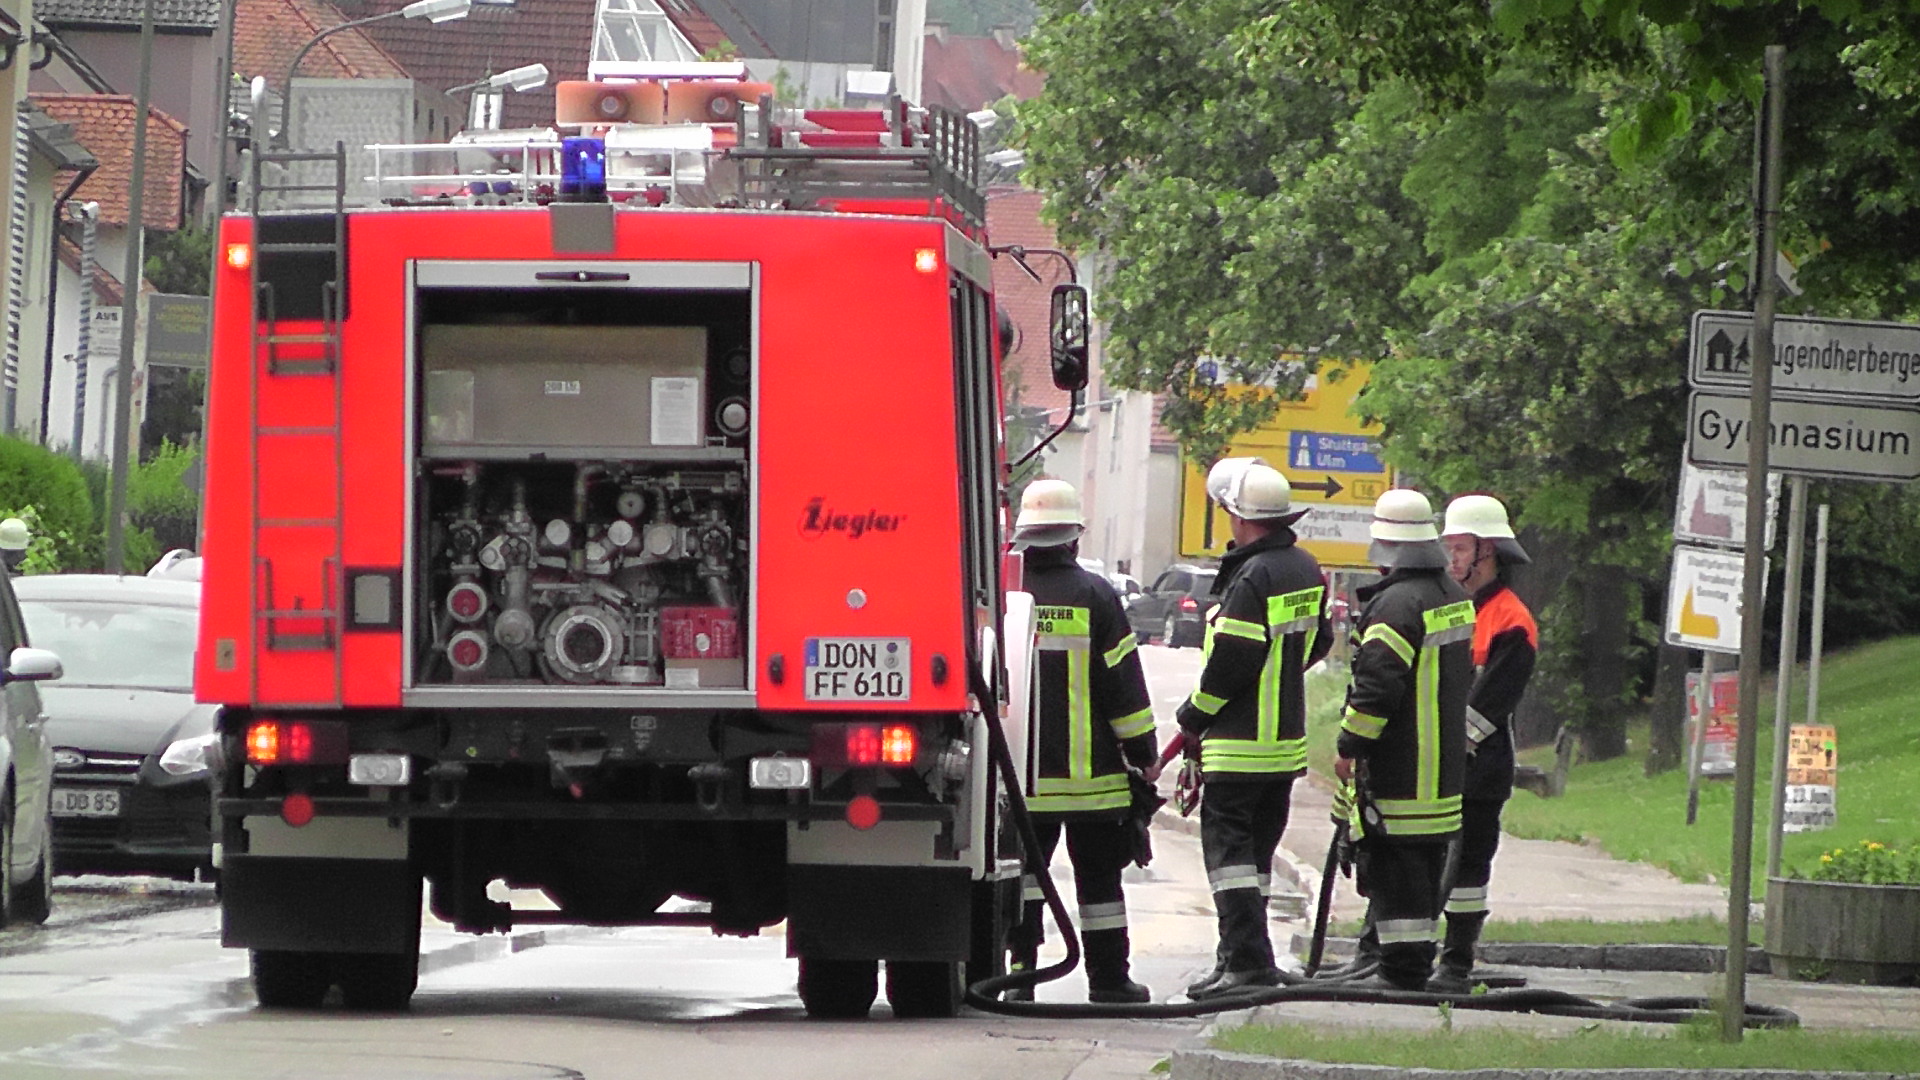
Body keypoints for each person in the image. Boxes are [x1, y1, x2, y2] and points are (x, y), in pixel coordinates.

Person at [1179, 458, 1330, 1001]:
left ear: (1239, 516)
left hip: (1238, 745)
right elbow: (1320, 642)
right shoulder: (1305, 568)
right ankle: (1244, 960)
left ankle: (1244, 965)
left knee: (1230, 864)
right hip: (1283, 748)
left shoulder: (1252, 576)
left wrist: (1194, 714)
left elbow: (1233, 660)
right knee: (1255, 864)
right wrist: (1280, 678)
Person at [1007, 478, 1160, 1004]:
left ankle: (1019, 978)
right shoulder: (1096, 595)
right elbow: (1125, 690)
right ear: (1073, 538)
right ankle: (1109, 981)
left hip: (1021, 783)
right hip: (1093, 785)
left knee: (1025, 881)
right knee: (1100, 886)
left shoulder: (1005, 593)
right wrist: (1144, 755)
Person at [1330, 488, 1473, 992]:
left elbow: (1376, 689)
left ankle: (1400, 974)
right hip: (1443, 773)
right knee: (1420, 876)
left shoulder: (1395, 605)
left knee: (1397, 875)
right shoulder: (1451, 596)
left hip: (1402, 771)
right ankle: (1403, 968)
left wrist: (1350, 745)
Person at [1430, 494, 1537, 993]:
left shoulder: (1511, 620)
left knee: (1469, 868)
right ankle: (1408, 957)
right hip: (1438, 764)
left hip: (1480, 768)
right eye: (1448, 548)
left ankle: (1456, 963)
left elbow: (1489, 705)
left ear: (1486, 551)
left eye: (1459, 549)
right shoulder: (1449, 609)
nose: (1451, 559)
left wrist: (1448, 749)